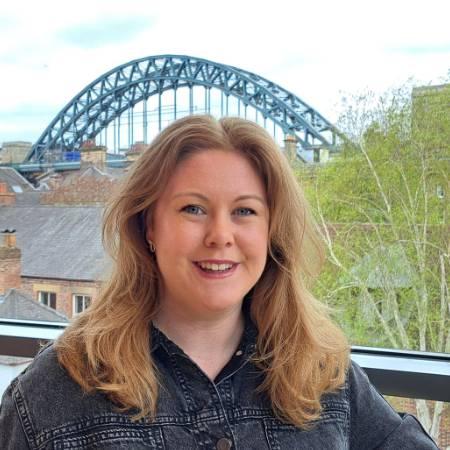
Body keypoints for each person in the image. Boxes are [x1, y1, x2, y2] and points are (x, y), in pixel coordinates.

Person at [0, 115, 437, 449]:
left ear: (271, 232)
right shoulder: (52, 393)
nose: (220, 236)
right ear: (148, 226)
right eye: (193, 209)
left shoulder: (321, 372)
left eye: (245, 211)